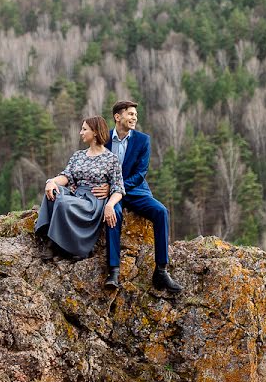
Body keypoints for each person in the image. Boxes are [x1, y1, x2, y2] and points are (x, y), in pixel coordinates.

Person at [92, 100, 182, 293]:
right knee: (113, 216)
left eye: (135, 115)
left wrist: (117, 187)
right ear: (118, 117)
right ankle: (114, 271)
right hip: (110, 191)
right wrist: (108, 189)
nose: (134, 118)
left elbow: (141, 172)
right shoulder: (104, 139)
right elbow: (97, 167)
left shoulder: (143, 140)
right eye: (130, 114)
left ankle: (161, 271)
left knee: (161, 211)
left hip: (135, 189)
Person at [35, 116, 124, 267]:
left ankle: (56, 245)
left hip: (93, 201)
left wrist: (110, 205)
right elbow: (66, 176)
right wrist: (51, 182)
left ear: (95, 132)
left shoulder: (111, 159)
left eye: (84, 129)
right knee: (54, 194)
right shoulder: (78, 155)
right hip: (76, 195)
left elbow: (118, 188)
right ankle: (47, 234)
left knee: (63, 202)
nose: (80, 132)